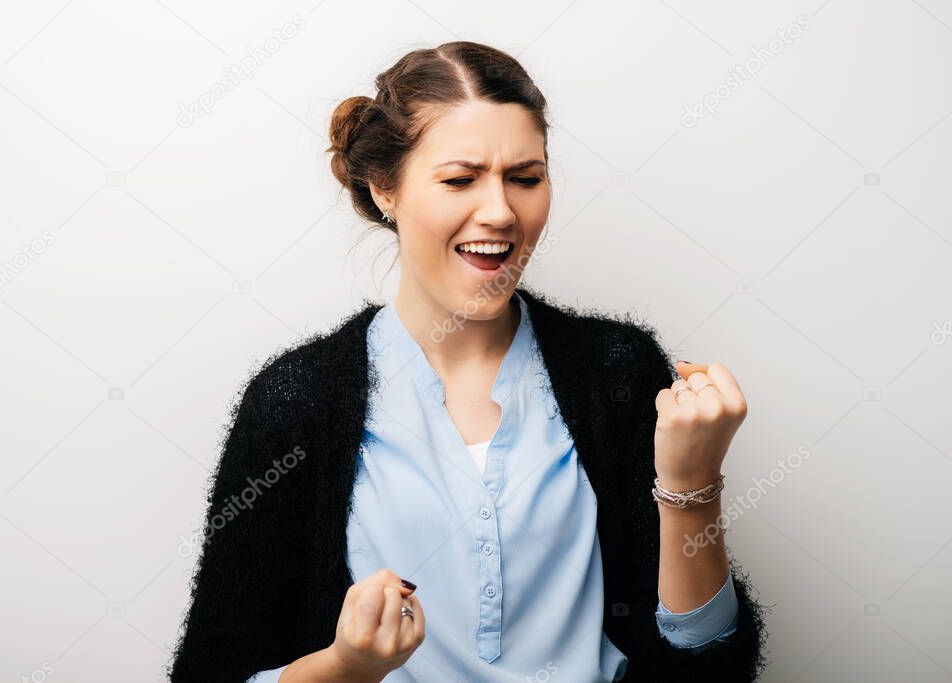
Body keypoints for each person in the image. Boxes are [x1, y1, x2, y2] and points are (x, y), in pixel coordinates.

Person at [168, 41, 768, 683]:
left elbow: (709, 670)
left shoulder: (616, 373)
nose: (501, 212)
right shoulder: (297, 401)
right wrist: (345, 666)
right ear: (385, 190)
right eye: (460, 179)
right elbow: (212, 671)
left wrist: (691, 490)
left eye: (525, 177)